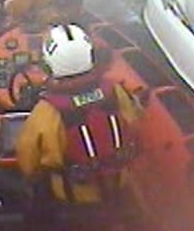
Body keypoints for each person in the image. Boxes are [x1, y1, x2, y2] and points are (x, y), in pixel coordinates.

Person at [16, 24, 142, 205]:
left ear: (49, 66)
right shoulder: (115, 91)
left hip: (71, 195)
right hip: (117, 184)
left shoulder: (47, 112)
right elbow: (134, 124)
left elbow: (28, 161)